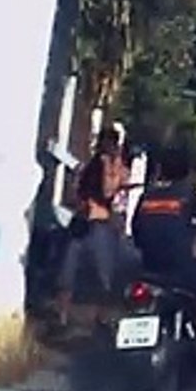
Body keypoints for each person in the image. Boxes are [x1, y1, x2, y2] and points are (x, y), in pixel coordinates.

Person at [130, 145, 196, 360]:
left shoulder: (147, 196)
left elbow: (136, 231)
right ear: (187, 171)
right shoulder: (187, 195)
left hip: (151, 268)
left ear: (161, 169)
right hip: (185, 269)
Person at [55, 129, 129, 329]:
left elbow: (109, 191)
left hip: (102, 225)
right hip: (83, 222)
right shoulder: (90, 166)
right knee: (66, 271)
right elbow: (76, 192)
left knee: (103, 274)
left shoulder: (117, 167)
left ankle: (101, 318)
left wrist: (109, 166)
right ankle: (62, 317)